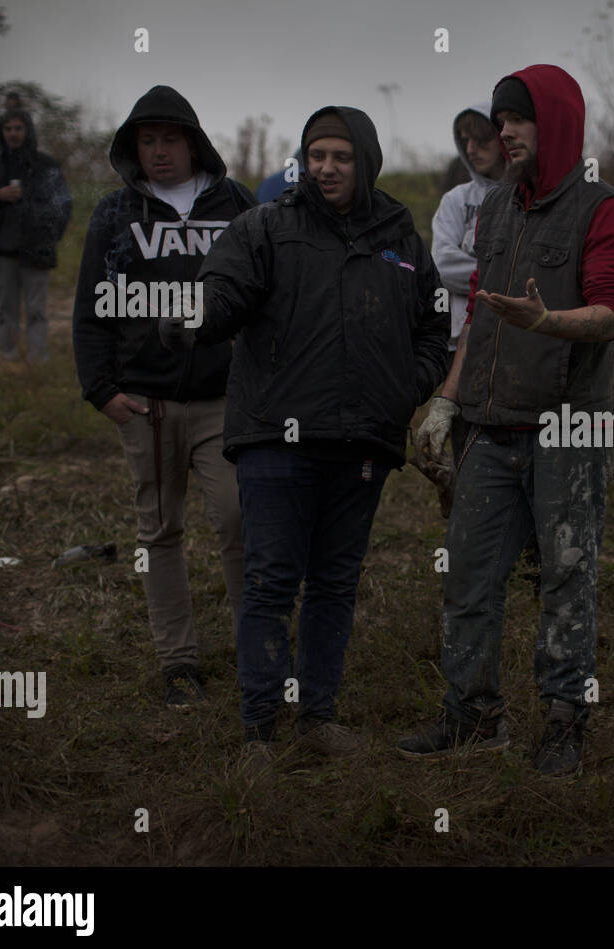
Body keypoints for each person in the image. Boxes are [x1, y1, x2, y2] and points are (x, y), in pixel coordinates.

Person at [168, 106, 448, 772]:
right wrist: (192, 316)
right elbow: (222, 293)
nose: (325, 167)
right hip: (276, 440)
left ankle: (317, 720)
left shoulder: (401, 239)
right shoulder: (266, 228)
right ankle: (259, 735)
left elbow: (435, 327)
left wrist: (405, 385)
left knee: (333, 585)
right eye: (316, 155)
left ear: (366, 162)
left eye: (340, 157)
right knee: (269, 584)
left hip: (362, 446)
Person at [399, 64, 614, 776]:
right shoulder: (499, 208)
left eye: (517, 120)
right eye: (498, 121)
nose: (502, 133)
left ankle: (565, 718)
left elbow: (610, 315)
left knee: (567, 574)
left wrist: (547, 320)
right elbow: (478, 309)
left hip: (567, 427)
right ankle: (473, 715)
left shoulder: (605, 211)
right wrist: (447, 399)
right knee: (468, 574)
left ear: (557, 124)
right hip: (488, 421)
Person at [72, 86, 255, 710]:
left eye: (169, 139)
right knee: (161, 531)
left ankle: (254, 650)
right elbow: (92, 308)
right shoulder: (114, 215)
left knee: (238, 520)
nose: (158, 152)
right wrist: (103, 391)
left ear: (193, 141)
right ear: (133, 148)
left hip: (224, 399)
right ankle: (179, 664)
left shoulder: (236, 206)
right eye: (146, 142)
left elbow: (266, 295)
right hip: (144, 404)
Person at [0, 107, 72, 361]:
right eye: (8, 129)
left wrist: (52, 237)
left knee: (36, 309)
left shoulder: (45, 165)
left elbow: (63, 204)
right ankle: (7, 355)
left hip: (37, 250)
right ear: (1, 133)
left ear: (27, 131)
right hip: (4, 250)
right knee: (6, 308)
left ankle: (37, 358)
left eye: (18, 128)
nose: (13, 134)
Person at [432, 103, 507, 353]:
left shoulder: (528, 197)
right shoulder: (455, 199)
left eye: (481, 141)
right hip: (463, 335)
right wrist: (507, 274)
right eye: (465, 141)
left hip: (515, 333)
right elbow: (443, 266)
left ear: (502, 139)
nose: (471, 150)